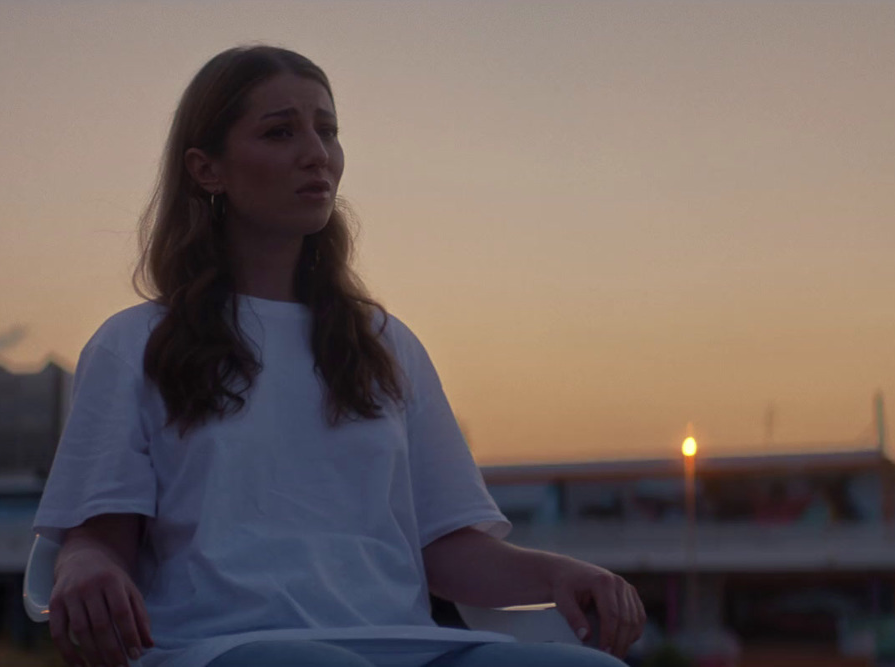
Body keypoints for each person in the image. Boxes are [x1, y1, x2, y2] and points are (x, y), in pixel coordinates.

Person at [32, 45, 645, 667]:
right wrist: (80, 564)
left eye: (327, 131)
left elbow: (448, 551)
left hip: (405, 645)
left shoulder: (385, 343)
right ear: (206, 169)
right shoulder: (133, 343)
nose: (316, 154)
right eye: (280, 132)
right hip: (223, 647)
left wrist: (561, 574)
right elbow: (99, 538)